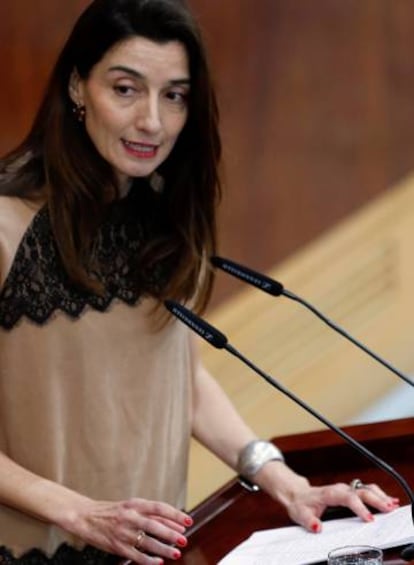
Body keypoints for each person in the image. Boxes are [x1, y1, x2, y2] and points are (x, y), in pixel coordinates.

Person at [0, 0, 400, 564]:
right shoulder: (5, 225)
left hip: (154, 551)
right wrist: (81, 512)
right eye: (125, 89)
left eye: (174, 95)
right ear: (76, 88)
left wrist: (282, 479)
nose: (152, 122)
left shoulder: (163, 214)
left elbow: (179, 380)